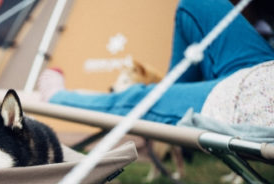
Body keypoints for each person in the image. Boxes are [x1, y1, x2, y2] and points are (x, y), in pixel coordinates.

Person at [38, 0, 274, 126]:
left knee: (138, 98)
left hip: (256, 96)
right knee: (196, 3)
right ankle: (172, 96)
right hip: (264, 68)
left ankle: (58, 97)